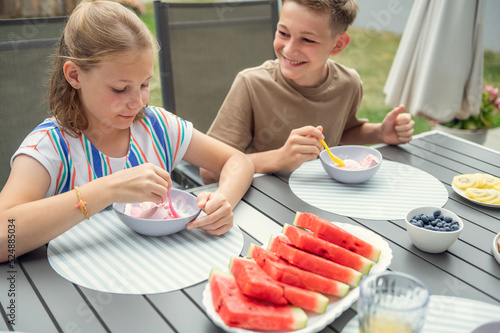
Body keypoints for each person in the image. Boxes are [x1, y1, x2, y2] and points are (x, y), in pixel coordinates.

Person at [0, 0, 254, 263]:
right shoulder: (49, 147)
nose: (138, 102)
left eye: (144, 84)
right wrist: (107, 190)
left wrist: (223, 201)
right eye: (120, 89)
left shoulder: (157, 128)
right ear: (74, 75)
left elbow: (237, 161)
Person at [200, 0, 414, 184]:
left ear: (338, 44)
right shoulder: (251, 84)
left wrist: (381, 133)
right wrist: (279, 158)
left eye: (308, 40)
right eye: (283, 33)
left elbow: (340, 135)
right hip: (262, 197)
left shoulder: (349, 84)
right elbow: (210, 171)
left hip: (325, 195)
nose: (290, 49)